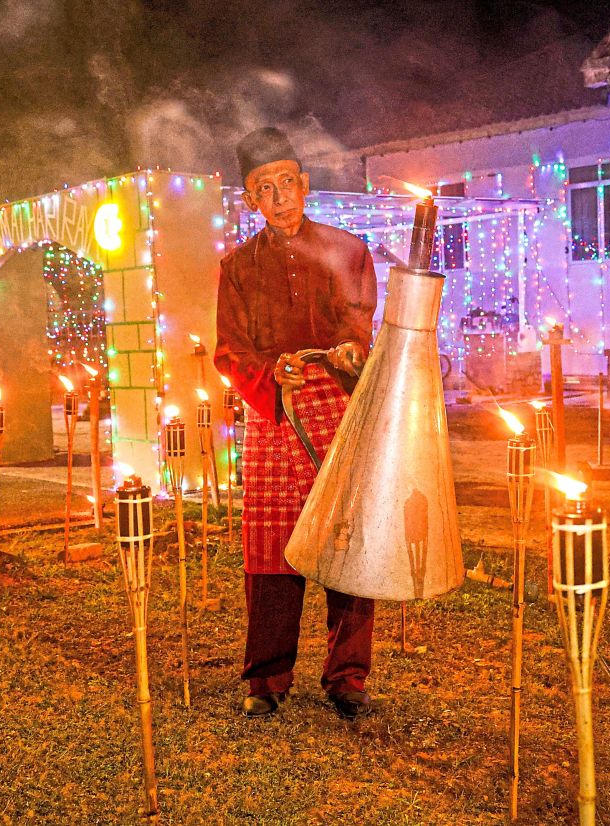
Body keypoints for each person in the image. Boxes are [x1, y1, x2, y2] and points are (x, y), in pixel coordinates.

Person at [214, 127, 378, 720]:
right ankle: (267, 677)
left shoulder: (347, 249)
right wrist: (269, 375)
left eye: (288, 182)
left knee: (345, 543)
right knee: (271, 552)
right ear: (251, 200)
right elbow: (229, 352)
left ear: (304, 185)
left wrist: (350, 353)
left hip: (336, 408)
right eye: (265, 188)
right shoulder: (237, 267)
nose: (280, 196)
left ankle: (348, 675)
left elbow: (358, 324)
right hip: (272, 416)